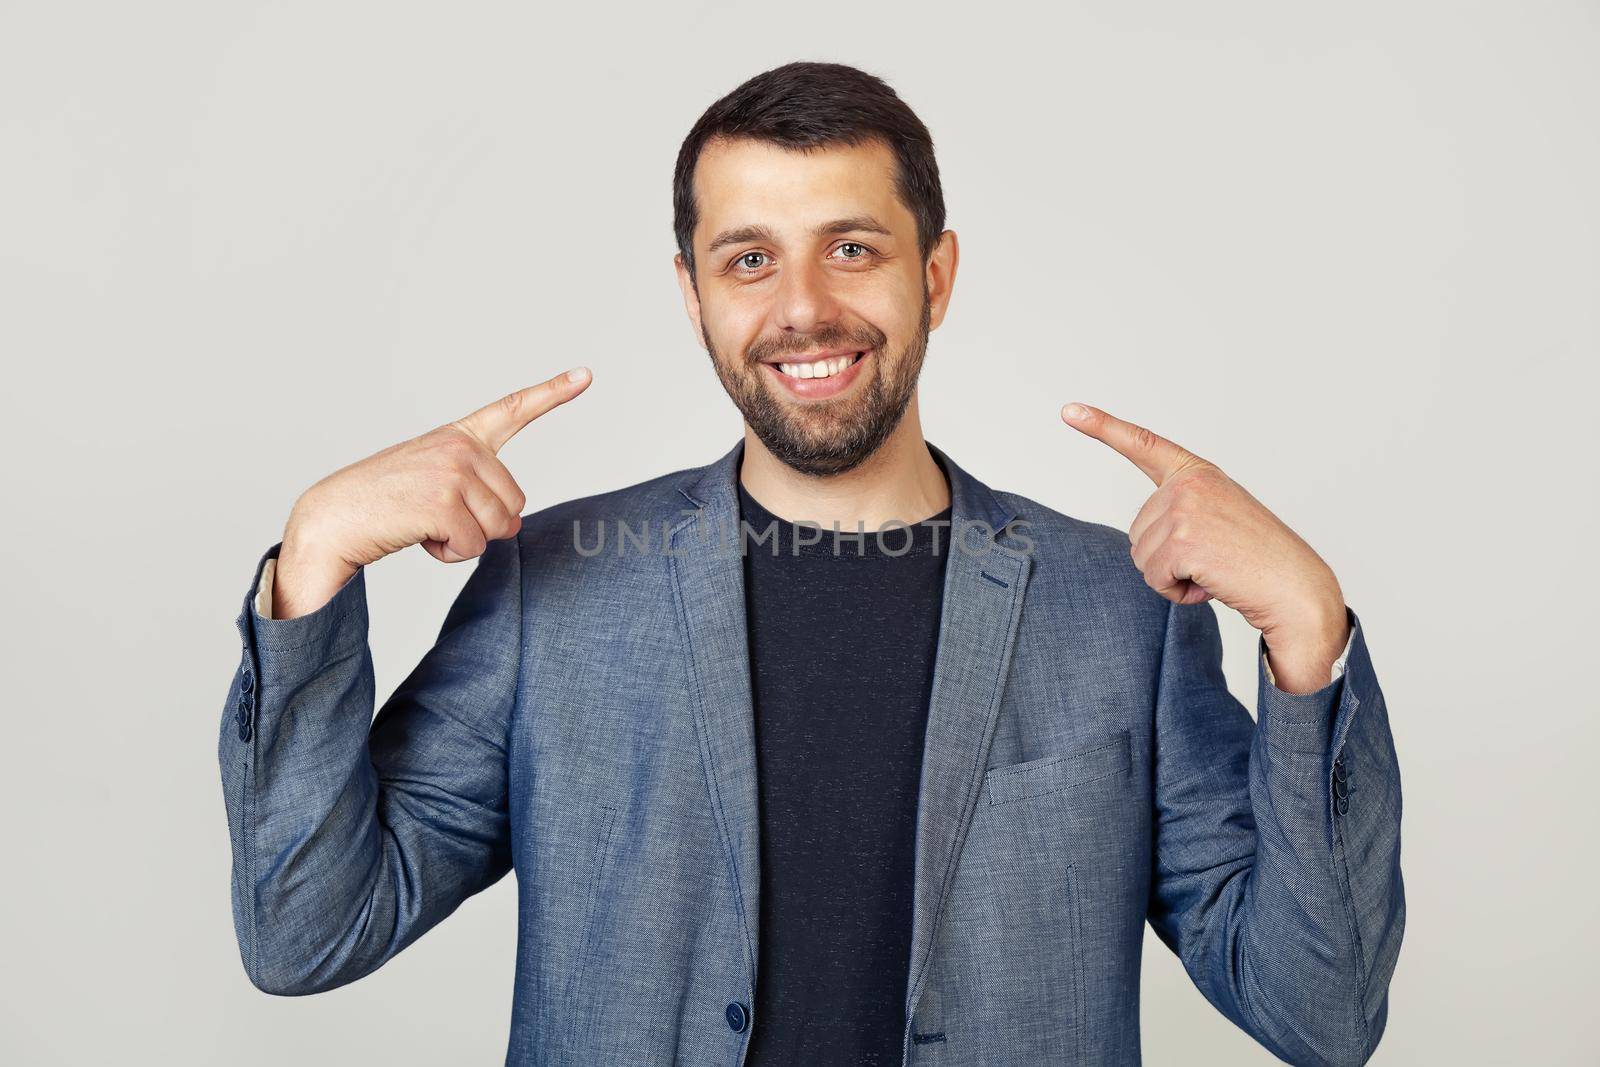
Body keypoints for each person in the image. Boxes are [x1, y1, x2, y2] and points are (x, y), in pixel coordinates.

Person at [218, 61, 1404, 1066]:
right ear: (691, 296)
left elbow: (1319, 1009)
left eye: (851, 248)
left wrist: (1308, 631)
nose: (803, 308)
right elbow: (307, 931)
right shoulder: (553, 584)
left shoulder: (1118, 607)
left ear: (934, 275)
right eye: (747, 260)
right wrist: (313, 555)